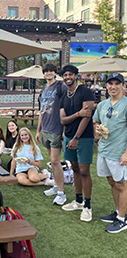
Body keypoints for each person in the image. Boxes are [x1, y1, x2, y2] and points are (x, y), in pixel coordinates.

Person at [59, 64, 94, 222]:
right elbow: (63, 120)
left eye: (70, 74)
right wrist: (78, 113)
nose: (67, 77)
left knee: (84, 170)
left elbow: (87, 117)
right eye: (65, 75)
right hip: (68, 137)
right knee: (74, 168)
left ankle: (87, 205)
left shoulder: (85, 92)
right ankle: (78, 201)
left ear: (75, 75)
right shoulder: (63, 96)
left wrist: (76, 138)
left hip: (83, 138)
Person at [93, 73, 127, 233]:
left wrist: (126, 153)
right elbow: (97, 121)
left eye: (117, 83)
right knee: (111, 181)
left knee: (121, 184)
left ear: (123, 85)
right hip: (104, 150)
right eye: (110, 83)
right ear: (106, 85)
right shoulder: (102, 104)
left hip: (119, 152)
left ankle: (122, 219)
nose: (113, 87)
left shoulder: (126, 104)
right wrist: (98, 129)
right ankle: (119, 211)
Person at [36, 62, 67, 206]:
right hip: (45, 130)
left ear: (55, 73)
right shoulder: (43, 90)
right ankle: (56, 185)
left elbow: (67, 106)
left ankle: (61, 193)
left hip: (56, 129)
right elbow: (41, 112)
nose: (48, 73)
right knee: (52, 160)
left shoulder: (61, 87)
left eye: (51, 71)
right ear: (43, 74)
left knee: (55, 161)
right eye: (46, 71)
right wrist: (38, 130)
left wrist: (64, 129)